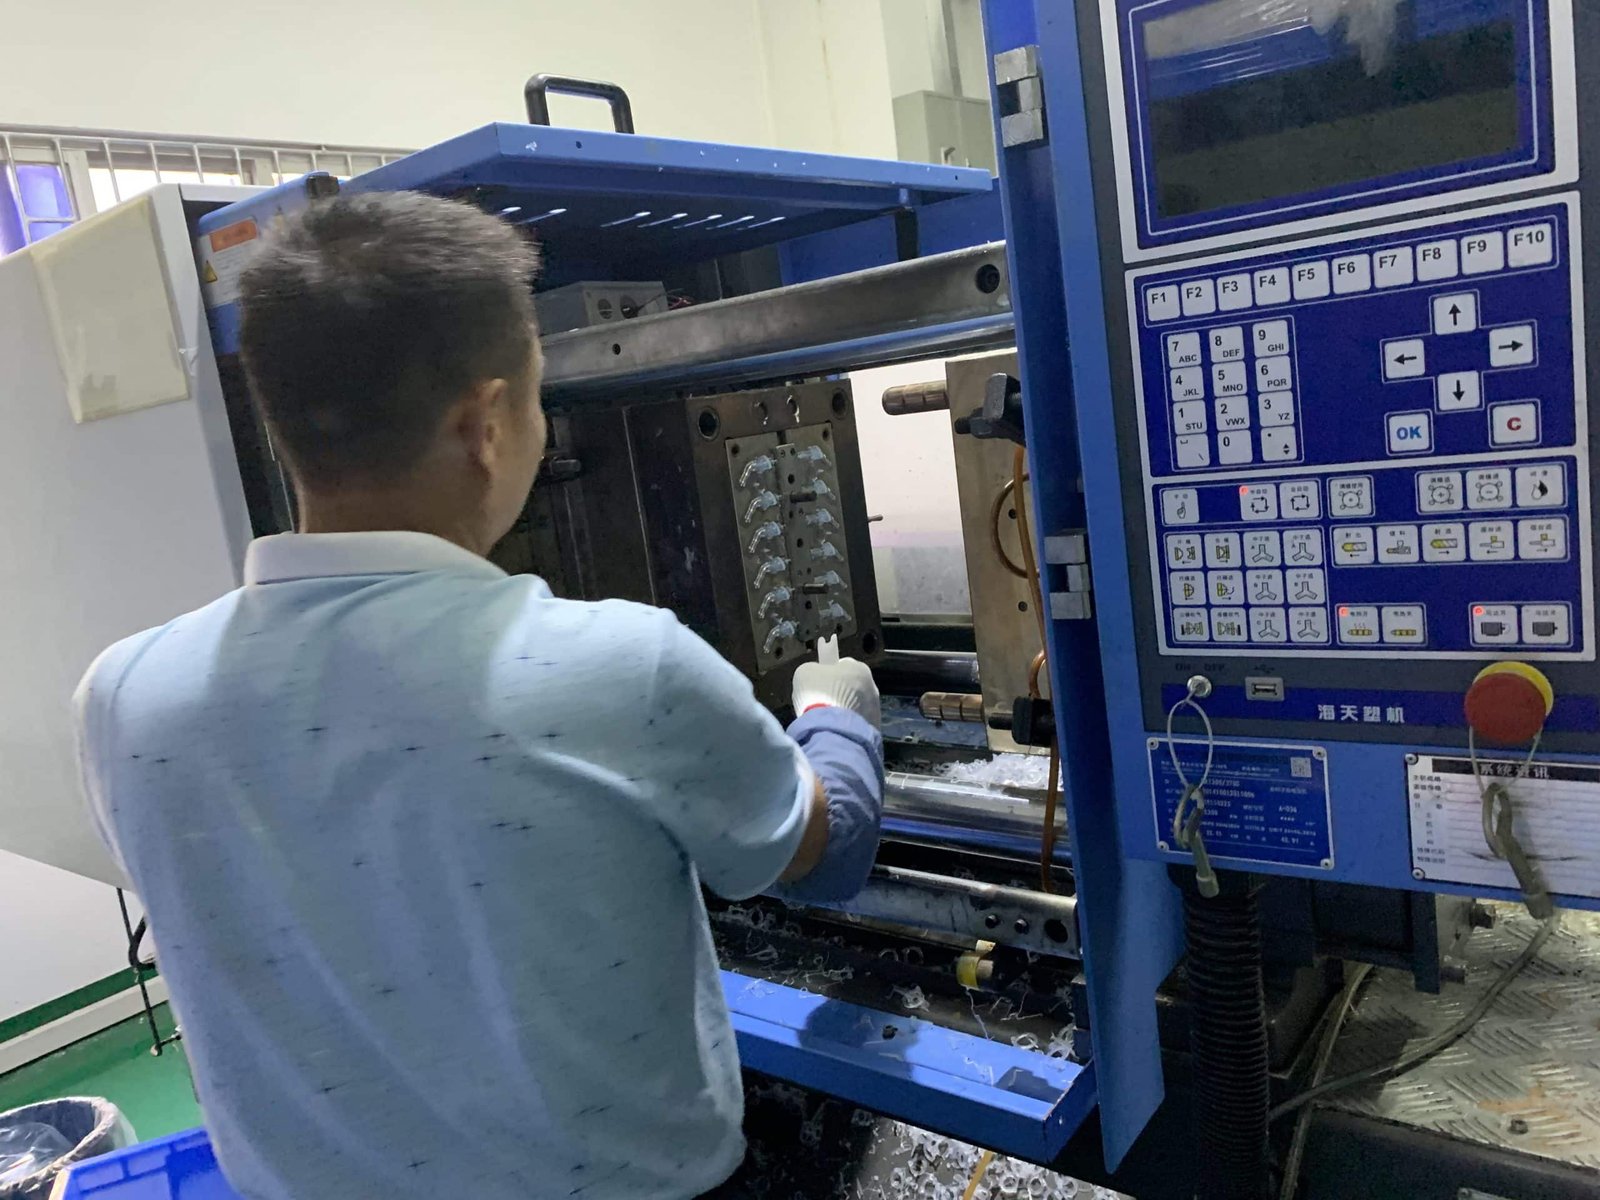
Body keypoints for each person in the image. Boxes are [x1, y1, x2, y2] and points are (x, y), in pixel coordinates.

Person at [74, 192, 885, 1200]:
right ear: (485, 423)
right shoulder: (622, 667)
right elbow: (827, 854)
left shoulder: (122, 697)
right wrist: (833, 713)